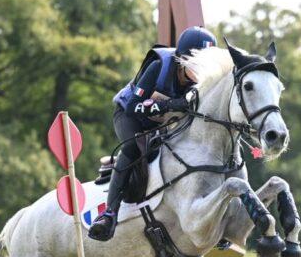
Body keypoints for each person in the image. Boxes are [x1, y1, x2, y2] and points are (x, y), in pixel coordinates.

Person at [88, 26, 218, 242]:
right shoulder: (158, 66)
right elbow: (133, 107)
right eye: (198, 65)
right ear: (183, 60)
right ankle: (109, 214)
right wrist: (170, 105)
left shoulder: (202, 82)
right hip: (129, 116)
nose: (203, 72)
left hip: (161, 124)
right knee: (134, 149)